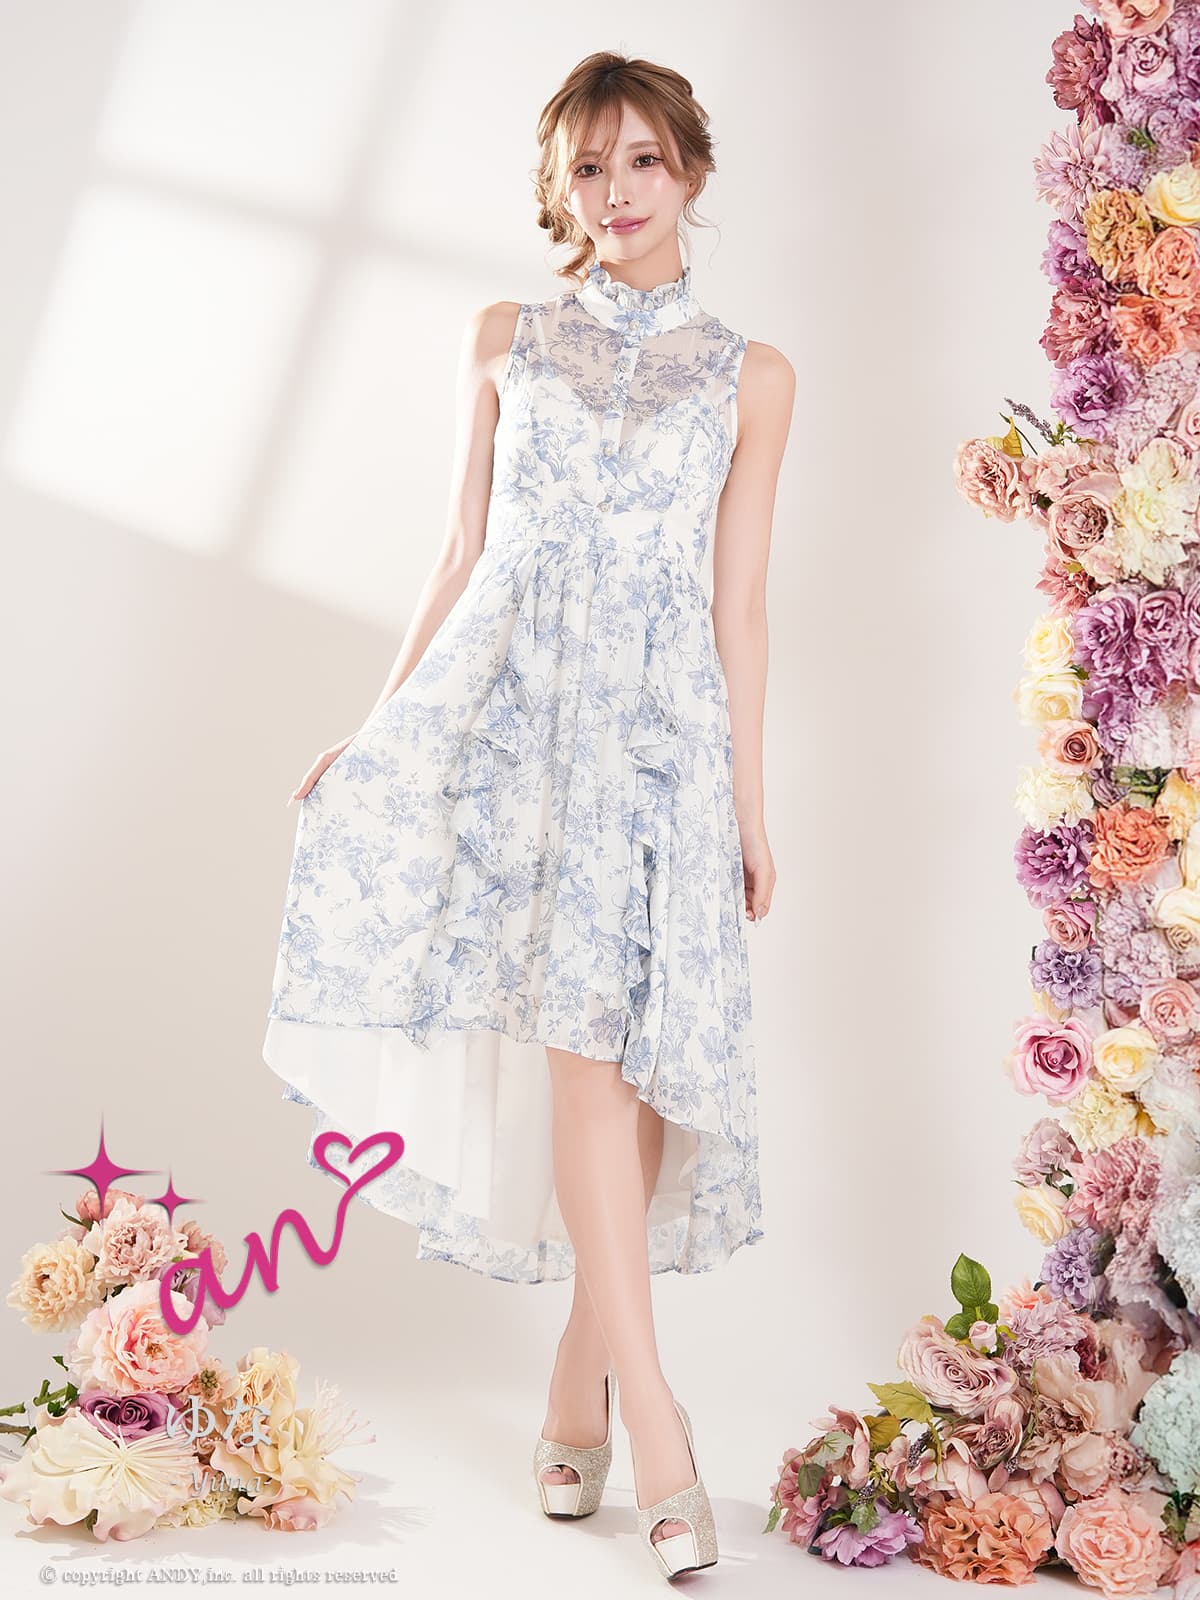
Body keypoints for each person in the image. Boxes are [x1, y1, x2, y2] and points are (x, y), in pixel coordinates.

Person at [262, 49, 794, 1581]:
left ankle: (577, 1379)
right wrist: (374, 730)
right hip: (520, 729)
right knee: (580, 1061)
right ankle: (662, 1437)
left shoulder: (754, 375)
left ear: (691, 169)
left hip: (665, 743)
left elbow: (740, 605)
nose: (615, 193)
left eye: (641, 162)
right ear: (560, 189)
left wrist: (751, 804)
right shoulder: (507, 338)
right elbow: (460, 549)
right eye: (587, 168)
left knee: (639, 1068)